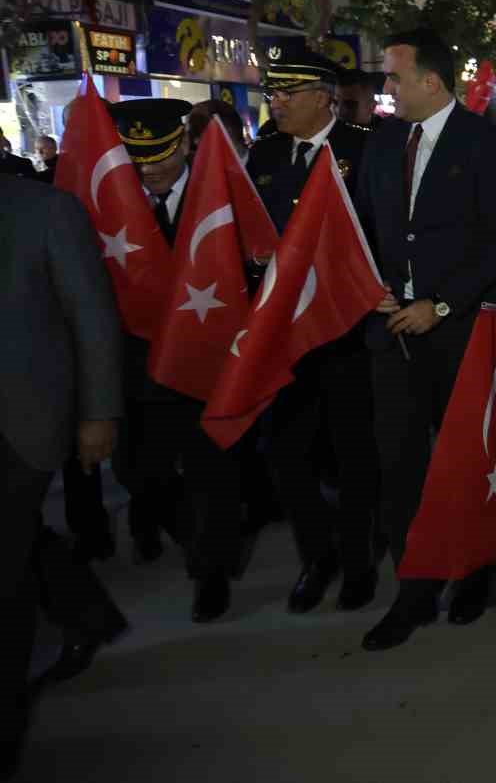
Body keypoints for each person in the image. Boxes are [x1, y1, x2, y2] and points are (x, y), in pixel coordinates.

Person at [354, 28, 496, 652]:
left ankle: (475, 575)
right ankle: (415, 589)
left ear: (431, 80)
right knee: (401, 465)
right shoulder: (382, 144)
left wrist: (443, 303)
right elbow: (364, 228)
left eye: (394, 77)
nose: (386, 88)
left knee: (470, 458)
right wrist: (365, 285)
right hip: (390, 332)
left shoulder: (484, 143)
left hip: (457, 333)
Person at [0, 178, 125, 777]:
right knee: (20, 540)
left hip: (20, 420)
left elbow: (92, 314)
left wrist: (98, 412)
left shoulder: (45, 209)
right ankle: (87, 614)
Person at [248, 58, 380, 614]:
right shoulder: (266, 153)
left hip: (348, 332)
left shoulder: (366, 149)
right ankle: (315, 557)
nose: (276, 102)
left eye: (288, 91)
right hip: (283, 334)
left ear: (325, 97)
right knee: (288, 456)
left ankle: (357, 562)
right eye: (272, 92)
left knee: (353, 455)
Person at [109, 98, 244, 622]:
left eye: (163, 153)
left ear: (187, 142)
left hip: (209, 359)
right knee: (139, 470)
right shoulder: (113, 203)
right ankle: (193, 537)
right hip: (140, 365)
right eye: (140, 157)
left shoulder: (222, 195)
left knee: (213, 469)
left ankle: (210, 572)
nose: (154, 167)